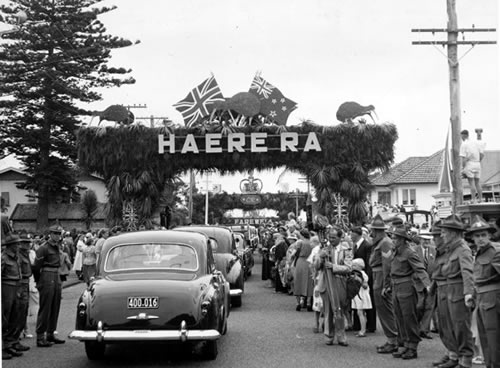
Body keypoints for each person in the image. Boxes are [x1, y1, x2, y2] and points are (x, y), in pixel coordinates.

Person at [388, 226, 431, 360]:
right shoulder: (396, 251)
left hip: (406, 286)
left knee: (409, 318)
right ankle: (404, 344)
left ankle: (412, 347)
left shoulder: (409, 252)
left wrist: (428, 285)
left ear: (403, 239)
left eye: (395, 238)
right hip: (396, 285)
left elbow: (420, 269)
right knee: (399, 317)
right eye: (392, 237)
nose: (393, 240)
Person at [439, 215, 475, 368]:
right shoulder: (451, 249)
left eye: (444, 232)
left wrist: (468, 293)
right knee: (450, 326)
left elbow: (468, 273)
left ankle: (466, 361)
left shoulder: (463, 249)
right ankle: (455, 357)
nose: (441, 235)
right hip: (450, 290)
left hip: (459, 292)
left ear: (453, 233)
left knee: (461, 328)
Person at [466, 215, 500, 368]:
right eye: (477, 236)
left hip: (493, 299)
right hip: (481, 299)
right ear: (472, 238)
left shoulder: (495, 252)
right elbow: (477, 278)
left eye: (484, 235)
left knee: (494, 340)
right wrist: (472, 296)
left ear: (490, 235)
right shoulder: (479, 253)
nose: (481, 238)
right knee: (485, 339)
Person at [428, 220, 460, 368]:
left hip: (449, 289)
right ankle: (449, 352)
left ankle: (454, 355)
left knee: (450, 324)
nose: (434, 239)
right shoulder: (439, 251)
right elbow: (436, 272)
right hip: (440, 288)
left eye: (436, 236)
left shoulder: (451, 251)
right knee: (442, 324)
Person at [315, 227, 352, 346]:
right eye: (329, 237)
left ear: (340, 237)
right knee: (328, 310)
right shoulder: (324, 249)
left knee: (339, 309)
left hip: (340, 282)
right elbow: (316, 267)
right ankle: (329, 335)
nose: (331, 240)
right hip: (326, 282)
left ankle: (341, 336)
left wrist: (334, 267)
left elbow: (348, 268)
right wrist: (320, 257)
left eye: (334, 237)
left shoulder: (346, 249)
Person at [368, 214, 399, 354]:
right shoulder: (380, 242)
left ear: (379, 231)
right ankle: (391, 339)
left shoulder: (385, 242)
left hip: (381, 277)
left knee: (385, 310)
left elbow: (387, 265)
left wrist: (386, 284)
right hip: (377, 275)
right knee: (382, 310)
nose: (371, 233)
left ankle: (393, 340)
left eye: (374, 230)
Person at [33, 225, 66, 347]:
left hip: (56, 275)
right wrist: (39, 281)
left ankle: (51, 333)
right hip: (47, 275)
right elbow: (36, 267)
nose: (58, 236)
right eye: (55, 233)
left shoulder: (57, 246)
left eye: (59, 233)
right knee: (46, 306)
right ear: (50, 234)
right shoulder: (44, 248)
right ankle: (40, 336)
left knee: (55, 305)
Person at [2, 234, 25, 359]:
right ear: (10, 246)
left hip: (16, 286)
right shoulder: (3, 258)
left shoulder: (16, 258)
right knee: (4, 317)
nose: (18, 246)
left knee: (14, 316)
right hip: (6, 288)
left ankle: (9, 344)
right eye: (16, 244)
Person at [350, 226, 376, 333]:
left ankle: (371, 324)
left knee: (368, 301)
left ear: (357, 234)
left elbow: (369, 263)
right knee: (357, 299)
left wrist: (367, 279)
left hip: (364, 277)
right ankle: (357, 324)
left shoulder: (367, 245)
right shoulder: (355, 246)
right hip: (356, 276)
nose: (350, 236)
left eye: (352, 234)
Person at [292, 229, 314, 311]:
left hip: (300, 262)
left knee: (298, 281)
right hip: (309, 262)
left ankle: (298, 303)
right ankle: (308, 302)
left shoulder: (299, 242)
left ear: (302, 235)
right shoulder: (311, 243)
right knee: (309, 282)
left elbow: (295, 253)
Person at [459, 129, 484, 203]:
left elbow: (463, 159)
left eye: (461, 136)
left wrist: (463, 169)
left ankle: (473, 199)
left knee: (471, 183)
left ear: (464, 135)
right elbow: (482, 154)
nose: (461, 138)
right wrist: (478, 160)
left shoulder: (464, 144)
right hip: (477, 163)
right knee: (477, 183)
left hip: (469, 163)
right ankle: (480, 199)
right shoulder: (475, 143)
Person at [351, 258, 372, 337]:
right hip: (357, 295)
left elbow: (365, 286)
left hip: (361, 295)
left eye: (355, 265)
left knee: (360, 312)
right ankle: (362, 329)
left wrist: (358, 279)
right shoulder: (355, 273)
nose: (353, 267)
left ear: (360, 266)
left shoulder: (362, 274)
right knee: (359, 312)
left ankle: (363, 330)